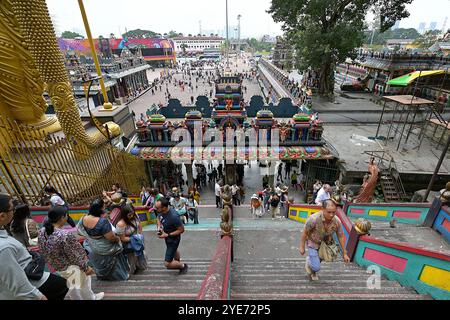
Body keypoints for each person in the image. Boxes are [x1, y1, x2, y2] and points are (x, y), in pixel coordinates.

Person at [0, 193, 68, 300]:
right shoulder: (4, 247)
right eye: (12, 209)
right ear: (2, 216)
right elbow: (16, 281)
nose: (13, 211)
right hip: (33, 280)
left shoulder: (12, 225)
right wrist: (37, 296)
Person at [39, 206, 104, 300]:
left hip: (58, 266)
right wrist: (86, 267)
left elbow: (43, 250)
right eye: (66, 215)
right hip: (73, 266)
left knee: (72, 287)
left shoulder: (42, 231)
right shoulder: (64, 235)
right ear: (62, 217)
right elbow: (74, 254)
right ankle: (91, 298)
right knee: (84, 283)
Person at [77, 199, 129, 281]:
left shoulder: (83, 218)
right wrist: (118, 238)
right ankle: (119, 278)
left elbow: (79, 231)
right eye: (104, 207)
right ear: (100, 209)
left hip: (92, 248)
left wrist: (93, 238)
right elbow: (111, 238)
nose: (105, 208)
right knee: (115, 266)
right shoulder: (102, 222)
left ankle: (102, 277)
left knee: (99, 264)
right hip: (106, 249)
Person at [299, 199, 350, 281]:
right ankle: (310, 262)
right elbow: (305, 233)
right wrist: (301, 247)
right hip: (313, 243)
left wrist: (344, 253)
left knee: (318, 261)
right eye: (329, 212)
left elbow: (340, 236)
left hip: (325, 245)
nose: (331, 215)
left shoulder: (337, 221)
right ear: (322, 209)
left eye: (333, 212)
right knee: (316, 266)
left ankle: (313, 272)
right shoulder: (313, 219)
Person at [155, 198, 188, 274]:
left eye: (157, 208)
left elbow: (181, 230)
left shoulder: (174, 216)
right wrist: (159, 227)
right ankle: (177, 263)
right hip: (167, 237)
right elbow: (158, 218)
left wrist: (168, 235)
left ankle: (183, 266)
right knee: (175, 250)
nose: (156, 209)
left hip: (173, 239)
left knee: (167, 264)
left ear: (164, 207)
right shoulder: (161, 211)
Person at [116, 205, 147, 275]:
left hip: (137, 240)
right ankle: (133, 270)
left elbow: (139, 226)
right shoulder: (121, 224)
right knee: (133, 259)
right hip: (129, 243)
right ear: (124, 215)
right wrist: (136, 238)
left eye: (133, 213)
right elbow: (122, 238)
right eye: (129, 215)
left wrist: (139, 235)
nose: (132, 216)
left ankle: (140, 267)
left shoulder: (135, 216)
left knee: (141, 255)